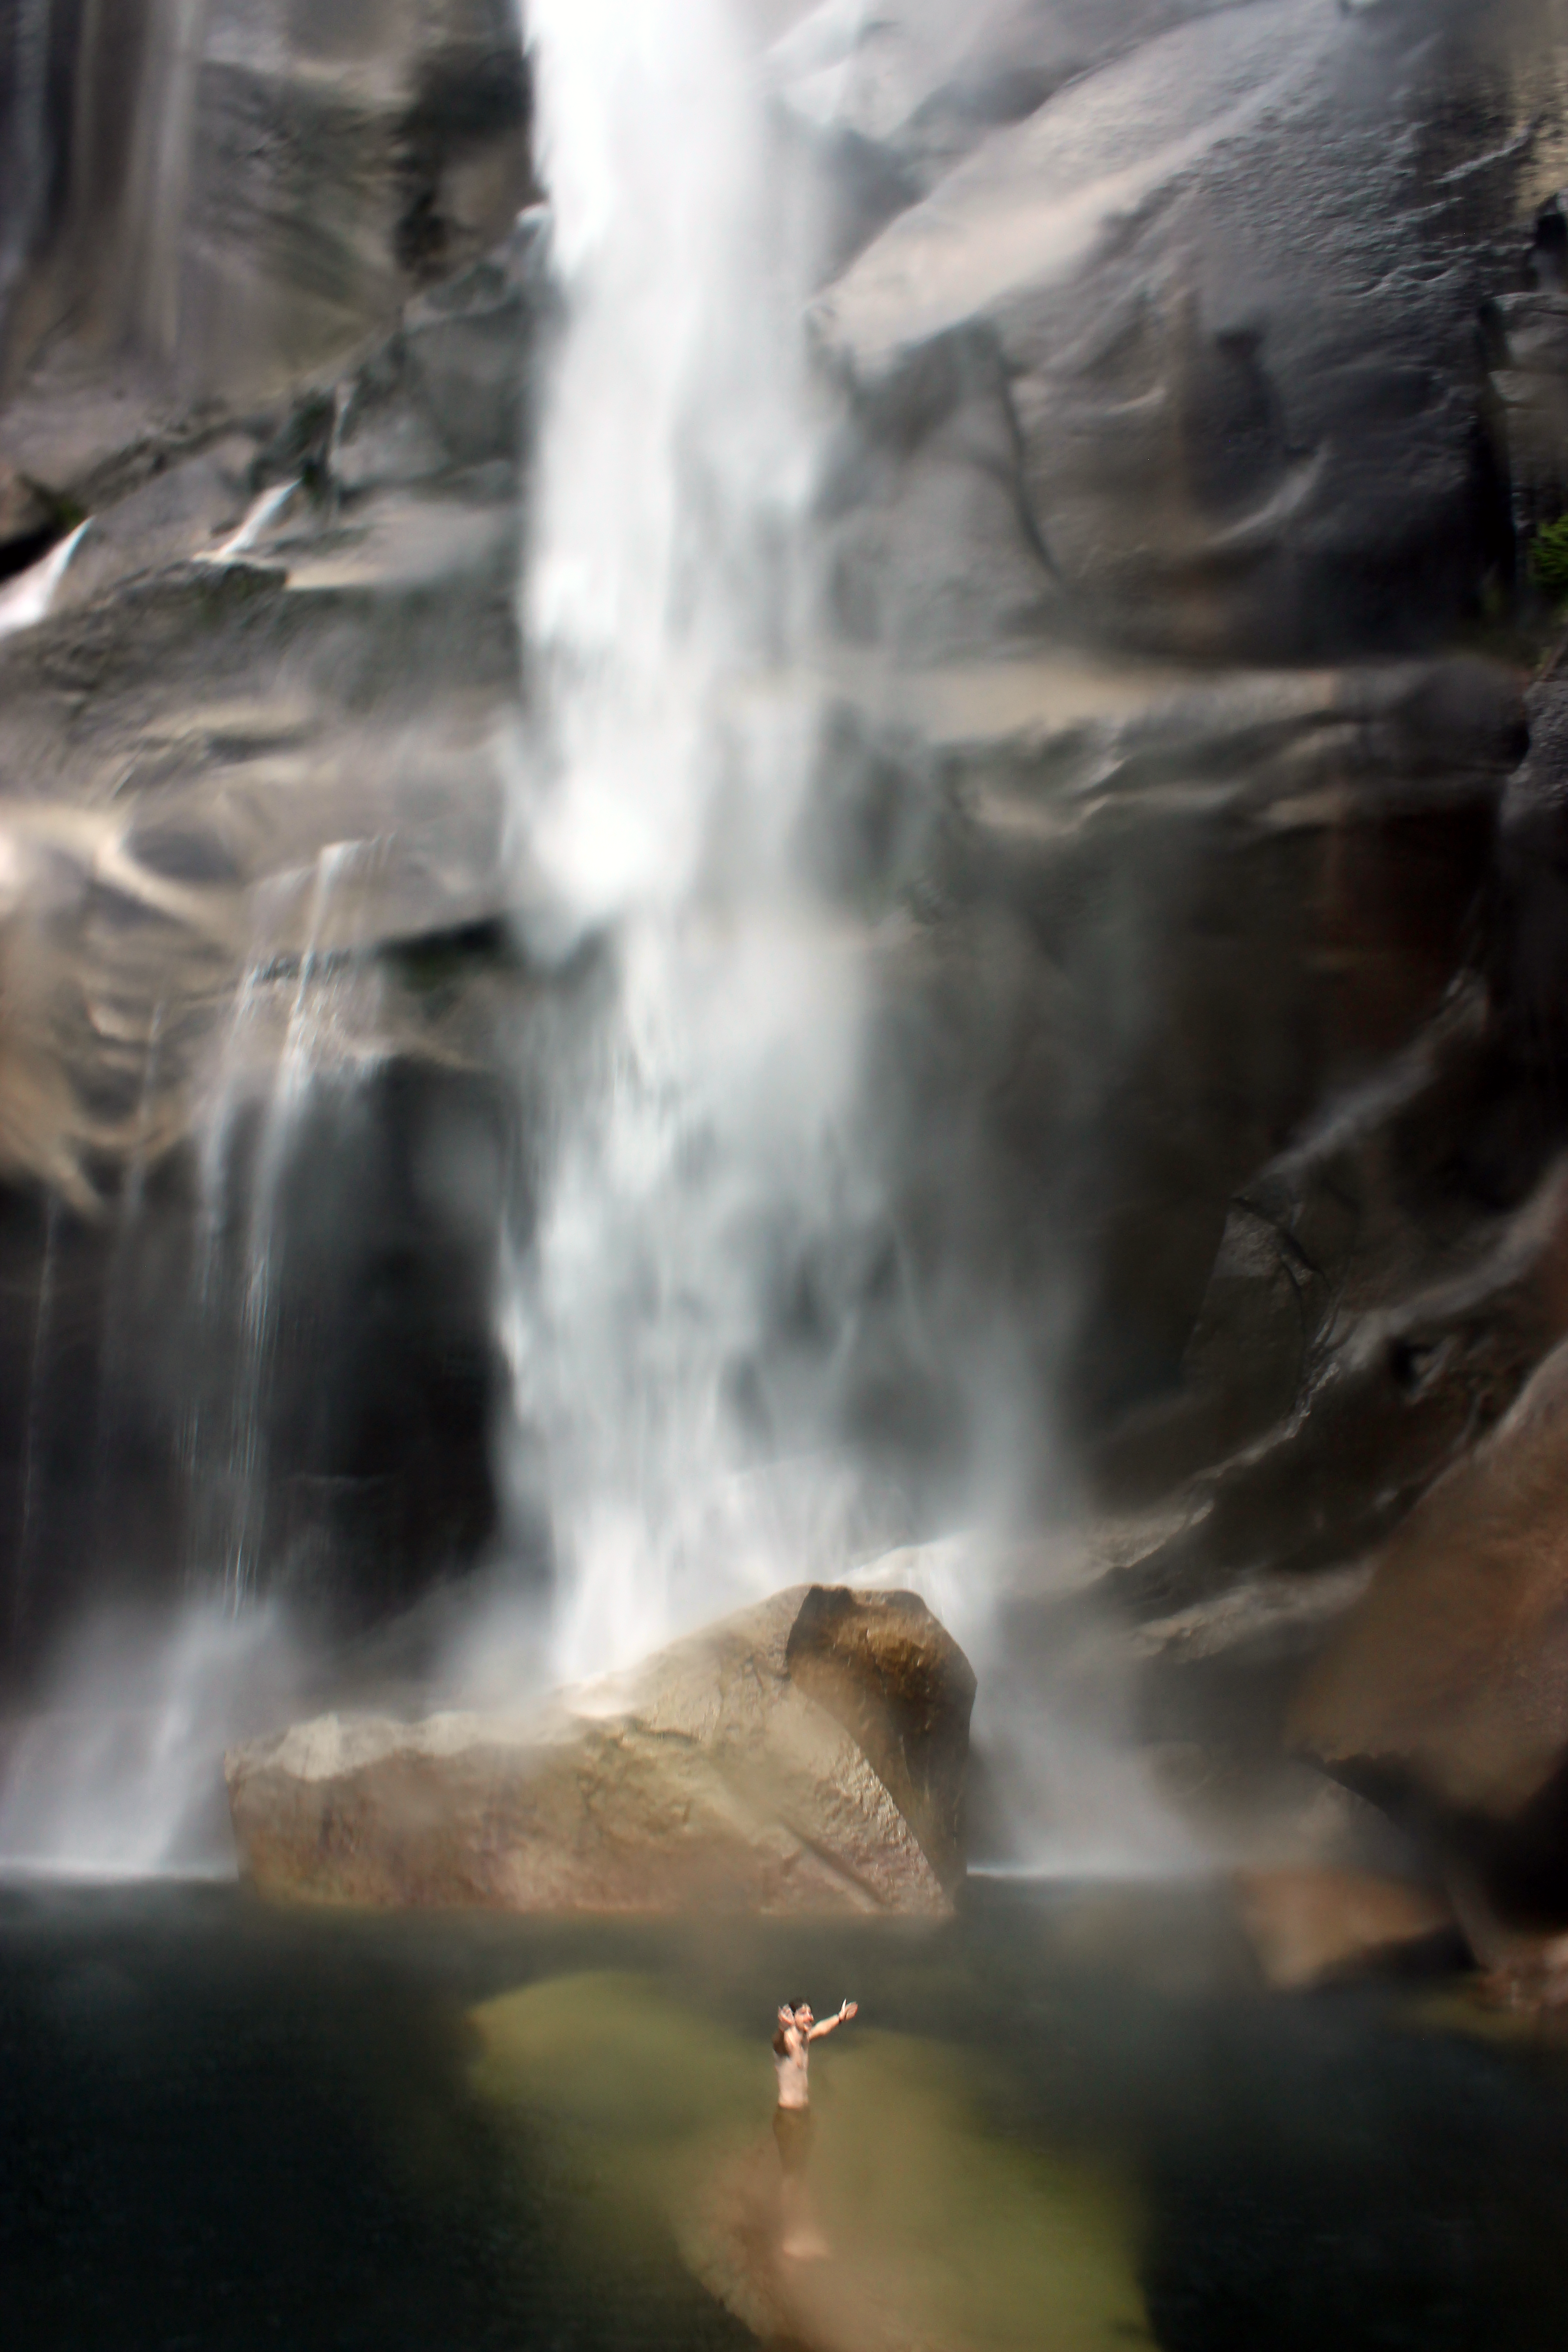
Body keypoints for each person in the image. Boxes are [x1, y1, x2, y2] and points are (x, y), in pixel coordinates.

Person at [771, 1998, 857, 2258]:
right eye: (804, 2014)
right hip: (788, 2118)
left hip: (803, 2116)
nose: (809, 2017)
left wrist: (840, 2018)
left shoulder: (805, 2040)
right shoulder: (787, 2041)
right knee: (792, 2178)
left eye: (810, 2012)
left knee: (801, 2175)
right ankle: (788, 2236)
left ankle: (802, 2229)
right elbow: (779, 2044)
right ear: (792, 2018)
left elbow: (823, 2027)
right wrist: (781, 2027)